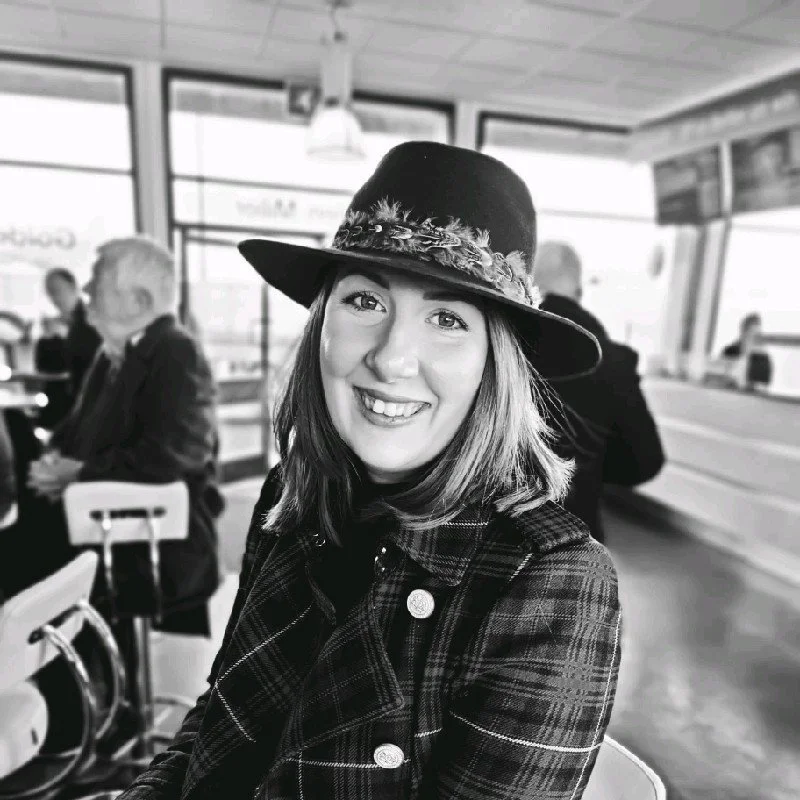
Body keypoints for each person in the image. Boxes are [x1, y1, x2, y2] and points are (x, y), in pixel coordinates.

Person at [117, 142, 621, 800]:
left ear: (492, 364)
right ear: (321, 324)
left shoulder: (549, 583)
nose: (392, 359)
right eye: (364, 302)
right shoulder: (292, 496)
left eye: (446, 319)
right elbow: (218, 718)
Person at [26, 236, 223, 750]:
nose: (85, 291)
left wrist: (76, 472)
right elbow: (74, 433)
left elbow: (172, 456)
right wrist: (57, 461)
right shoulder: (115, 354)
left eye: (97, 281)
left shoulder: (173, 351)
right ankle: (86, 720)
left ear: (138, 302)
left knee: (20, 565)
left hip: (150, 541)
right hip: (106, 527)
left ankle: (75, 729)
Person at [534, 241, 664, 543]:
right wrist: (588, 471)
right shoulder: (613, 361)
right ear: (579, 293)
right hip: (575, 542)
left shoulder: (498, 344)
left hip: (488, 536)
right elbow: (644, 461)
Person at [44, 266, 102, 398]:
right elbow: (47, 369)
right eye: (50, 293)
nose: (55, 298)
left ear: (73, 287)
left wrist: (61, 337)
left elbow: (83, 361)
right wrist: (50, 338)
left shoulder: (91, 320)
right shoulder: (62, 323)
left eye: (57, 291)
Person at [721, 312, 772, 390]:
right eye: (750, 333)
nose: (753, 338)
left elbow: (763, 387)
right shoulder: (729, 351)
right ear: (742, 332)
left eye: (757, 335)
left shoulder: (763, 358)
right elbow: (720, 377)